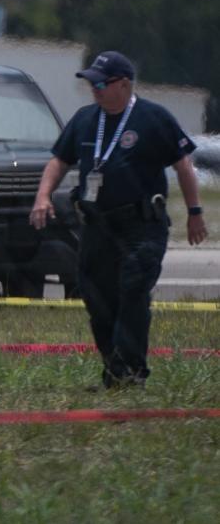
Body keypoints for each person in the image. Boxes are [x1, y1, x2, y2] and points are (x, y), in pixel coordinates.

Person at [30, 50, 208, 388]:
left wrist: (194, 212)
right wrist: (42, 196)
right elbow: (59, 161)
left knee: (132, 291)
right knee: (97, 297)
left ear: (123, 85)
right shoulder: (85, 119)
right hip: (97, 225)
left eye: (101, 83)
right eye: (91, 83)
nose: (94, 90)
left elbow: (182, 165)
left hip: (142, 225)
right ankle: (115, 368)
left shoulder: (153, 118)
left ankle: (130, 372)